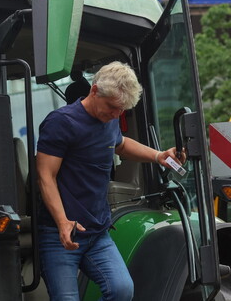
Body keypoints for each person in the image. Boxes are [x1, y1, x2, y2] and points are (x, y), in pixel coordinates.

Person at [36, 61, 184, 301]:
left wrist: (158, 156)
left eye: (121, 110)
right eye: (112, 107)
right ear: (94, 91)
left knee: (122, 290)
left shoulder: (110, 119)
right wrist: (62, 221)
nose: (116, 114)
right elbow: (45, 176)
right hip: (60, 232)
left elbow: (121, 144)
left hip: (97, 232)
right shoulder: (61, 122)